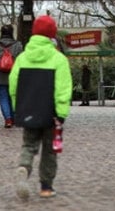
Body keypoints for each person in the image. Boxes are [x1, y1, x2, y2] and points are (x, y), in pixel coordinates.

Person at [10, 15, 72, 200]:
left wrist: (18, 109)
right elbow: (63, 89)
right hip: (51, 113)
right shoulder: (59, 59)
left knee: (29, 145)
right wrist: (61, 113)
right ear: (52, 35)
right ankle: (46, 186)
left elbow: (13, 86)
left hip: (28, 109)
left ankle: (24, 167)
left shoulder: (22, 58)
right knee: (49, 150)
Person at [0, 24, 23, 128]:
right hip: (14, 73)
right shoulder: (18, 45)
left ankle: (8, 119)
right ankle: (14, 118)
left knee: (3, 97)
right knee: (13, 97)